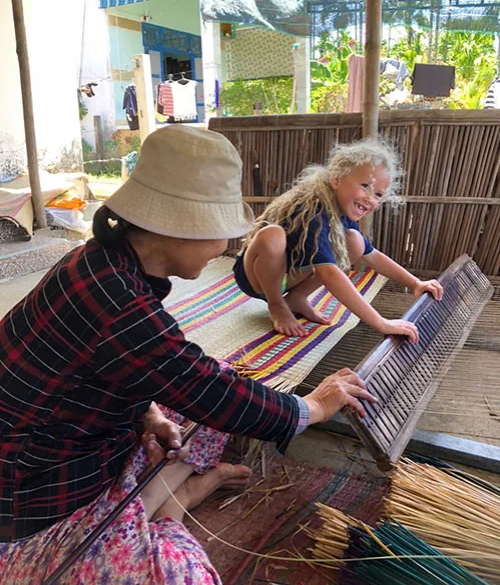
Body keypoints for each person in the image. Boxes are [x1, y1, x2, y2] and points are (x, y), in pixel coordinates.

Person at [0, 126, 376, 584]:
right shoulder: (119, 302)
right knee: (180, 575)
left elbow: (122, 368)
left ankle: (171, 497)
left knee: (204, 398)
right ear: (180, 229)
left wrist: (148, 416)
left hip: (67, 439)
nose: (226, 247)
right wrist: (313, 407)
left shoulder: (101, 263)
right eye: (221, 235)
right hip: (29, 491)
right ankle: (174, 504)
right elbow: (202, 387)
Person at [234, 137, 443, 338]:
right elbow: (329, 274)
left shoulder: (340, 211)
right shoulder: (310, 210)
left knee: (355, 241)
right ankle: (277, 305)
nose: (370, 198)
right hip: (256, 277)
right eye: (365, 186)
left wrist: (415, 283)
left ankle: (297, 298)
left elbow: (372, 256)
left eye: (378, 194)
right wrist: (381, 322)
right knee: (272, 235)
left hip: (290, 275)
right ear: (336, 179)